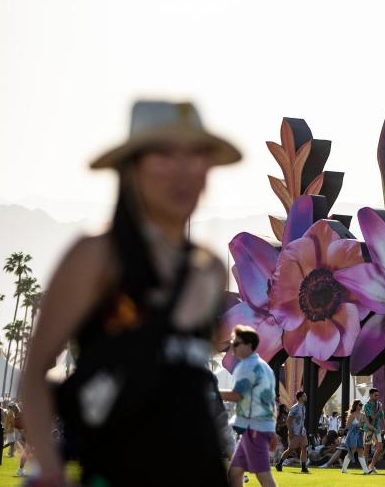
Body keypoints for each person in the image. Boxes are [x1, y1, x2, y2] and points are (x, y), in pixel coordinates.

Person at [20, 100, 239, 486]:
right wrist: (50, 471)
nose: (184, 172)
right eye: (165, 155)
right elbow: (35, 373)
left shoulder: (208, 269)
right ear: (130, 168)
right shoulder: (95, 257)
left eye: (197, 156)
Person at [221, 325, 278, 487]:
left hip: (253, 429)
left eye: (236, 343)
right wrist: (271, 430)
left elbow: (236, 395)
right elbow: (271, 402)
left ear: (249, 345)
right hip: (257, 428)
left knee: (264, 476)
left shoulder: (246, 366)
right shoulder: (264, 367)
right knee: (235, 474)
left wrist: (211, 389)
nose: (233, 347)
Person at [278, 390, 309, 473]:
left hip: (302, 432)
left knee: (304, 447)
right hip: (294, 432)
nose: (306, 397)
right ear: (300, 397)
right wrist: (290, 432)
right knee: (290, 449)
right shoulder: (295, 408)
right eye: (304, 395)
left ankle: (303, 467)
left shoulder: (303, 407)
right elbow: (288, 420)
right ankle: (279, 464)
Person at [363, 387, 385, 474]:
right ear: (370, 395)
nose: (377, 396)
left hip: (377, 430)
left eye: (378, 395)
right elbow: (373, 416)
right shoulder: (367, 406)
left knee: (380, 448)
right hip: (368, 429)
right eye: (375, 395)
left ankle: (371, 466)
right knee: (366, 449)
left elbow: (382, 417)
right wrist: (379, 409)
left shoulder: (378, 404)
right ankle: (366, 469)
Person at [342, 399, 368, 473]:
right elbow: (347, 426)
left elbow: (367, 424)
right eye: (360, 405)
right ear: (356, 405)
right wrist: (356, 425)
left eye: (361, 405)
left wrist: (372, 428)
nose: (361, 406)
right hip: (352, 435)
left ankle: (365, 470)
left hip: (359, 435)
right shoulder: (352, 415)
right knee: (352, 451)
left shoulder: (363, 415)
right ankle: (344, 468)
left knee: (360, 451)